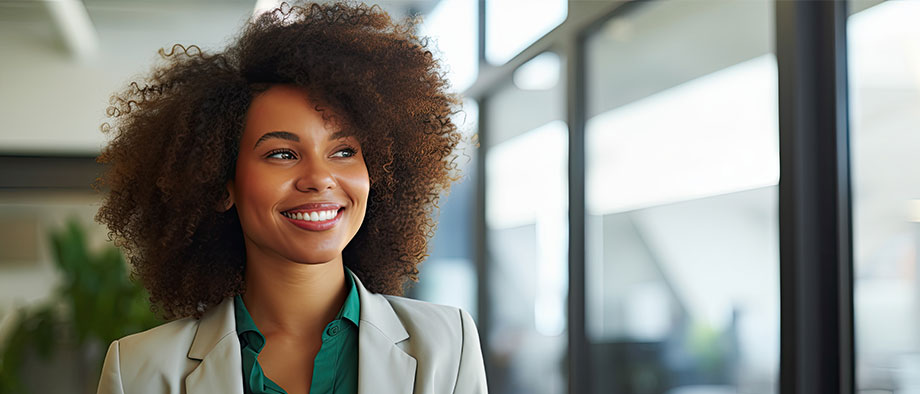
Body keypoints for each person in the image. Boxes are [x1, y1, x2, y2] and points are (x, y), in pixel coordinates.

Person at [93, 2, 486, 393]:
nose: (319, 179)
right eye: (282, 154)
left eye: (344, 151)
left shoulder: (448, 344)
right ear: (220, 183)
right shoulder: (139, 370)